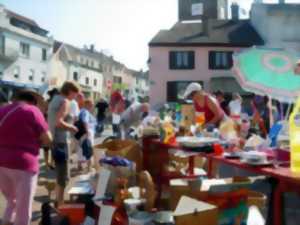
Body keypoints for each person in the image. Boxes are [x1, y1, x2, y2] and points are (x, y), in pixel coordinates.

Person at [0, 89, 52, 225]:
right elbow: (47, 139)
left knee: (11, 201)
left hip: (2, 162)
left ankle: (6, 222)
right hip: (24, 164)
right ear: (34, 101)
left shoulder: (3, 110)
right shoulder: (32, 111)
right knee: (23, 209)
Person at [47, 81, 80, 206]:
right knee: (63, 176)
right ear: (70, 91)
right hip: (61, 141)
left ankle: (57, 200)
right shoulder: (65, 101)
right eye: (75, 94)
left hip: (53, 140)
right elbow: (59, 122)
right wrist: (72, 127)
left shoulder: (54, 99)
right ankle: (60, 203)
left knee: (59, 174)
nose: (75, 97)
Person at [77, 99, 97, 171]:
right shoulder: (85, 112)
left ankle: (79, 165)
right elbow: (85, 121)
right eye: (91, 105)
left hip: (81, 133)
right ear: (86, 104)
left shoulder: (81, 111)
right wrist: (87, 131)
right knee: (88, 149)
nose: (92, 106)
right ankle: (89, 167)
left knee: (81, 148)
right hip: (87, 132)